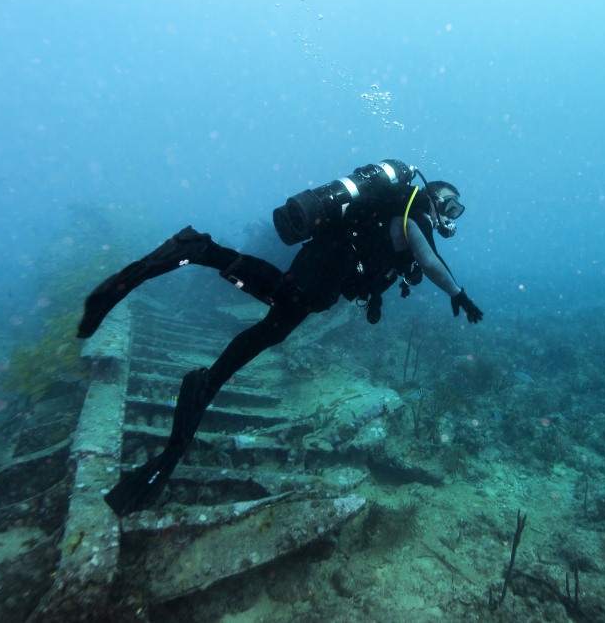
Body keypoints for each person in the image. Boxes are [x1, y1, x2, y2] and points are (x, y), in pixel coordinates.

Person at [77, 160, 483, 515]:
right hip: (328, 264)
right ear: (432, 197)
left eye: (457, 210)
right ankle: (199, 250)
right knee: (279, 305)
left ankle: (209, 380)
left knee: (272, 328)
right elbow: (430, 262)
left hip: (329, 268)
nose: (452, 214)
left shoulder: (401, 214)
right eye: (450, 204)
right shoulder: (413, 209)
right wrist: (459, 294)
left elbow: (394, 262)